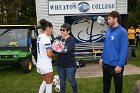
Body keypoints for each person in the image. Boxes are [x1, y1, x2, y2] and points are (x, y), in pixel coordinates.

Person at [99, 11, 128, 93]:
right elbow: (106, 46)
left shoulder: (122, 32)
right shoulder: (109, 30)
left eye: (109, 19)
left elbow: (124, 49)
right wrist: (102, 58)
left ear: (115, 19)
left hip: (116, 66)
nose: (107, 21)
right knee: (106, 87)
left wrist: (120, 65)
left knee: (118, 88)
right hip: (105, 64)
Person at [55, 23, 78, 93]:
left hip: (70, 65)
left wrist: (58, 47)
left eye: (63, 30)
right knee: (62, 82)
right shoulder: (58, 38)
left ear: (68, 31)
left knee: (71, 80)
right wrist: (59, 47)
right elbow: (54, 48)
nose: (61, 31)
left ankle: (75, 91)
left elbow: (66, 50)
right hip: (60, 65)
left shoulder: (71, 39)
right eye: (61, 29)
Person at [36, 19, 57, 93]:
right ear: (48, 27)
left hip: (40, 63)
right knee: (49, 84)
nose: (52, 30)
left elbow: (44, 50)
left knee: (45, 81)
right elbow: (49, 54)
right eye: (52, 28)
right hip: (46, 64)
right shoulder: (46, 38)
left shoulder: (39, 36)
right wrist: (58, 54)